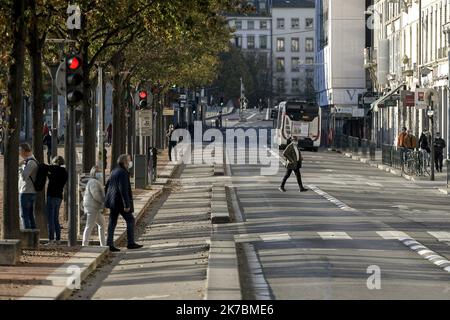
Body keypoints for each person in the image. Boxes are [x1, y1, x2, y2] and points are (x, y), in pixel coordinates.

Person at [105, 154, 143, 252]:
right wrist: (126, 204)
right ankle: (130, 243)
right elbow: (123, 189)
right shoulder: (123, 173)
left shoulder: (114, 171)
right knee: (130, 220)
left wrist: (108, 198)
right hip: (120, 202)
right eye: (129, 160)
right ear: (124, 162)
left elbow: (107, 185)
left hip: (113, 201)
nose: (130, 162)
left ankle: (109, 243)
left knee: (112, 222)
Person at [82, 165, 106, 247]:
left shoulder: (94, 182)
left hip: (94, 207)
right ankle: (84, 245)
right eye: (97, 172)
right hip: (92, 207)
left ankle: (103, 245)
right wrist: (103, 201)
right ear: (93, 173)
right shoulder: (93, 182)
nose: (100, 173)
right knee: (89, 226)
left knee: (102, 225)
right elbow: (96, 195)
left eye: (100, 172)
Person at [45, 156, 67, 245]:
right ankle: (58, 239)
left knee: (50, 219)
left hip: (51, 196)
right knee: (56, 218)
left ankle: (51, 239)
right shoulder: (64, 172)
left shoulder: (53, 169)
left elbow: (45, 167)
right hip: (59, 196)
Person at [18, 143, 38, 229]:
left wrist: (19, 167)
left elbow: (24, 176)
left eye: (20, 151)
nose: (19, 153)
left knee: (24, 215)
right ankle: (32, 237)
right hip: (29, 191)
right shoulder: (30, 161)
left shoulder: (30, 162)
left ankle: (27, 237)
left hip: (27, 191)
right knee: (29, 215)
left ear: (25, 151)